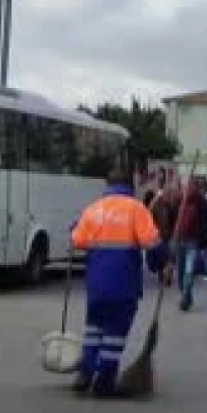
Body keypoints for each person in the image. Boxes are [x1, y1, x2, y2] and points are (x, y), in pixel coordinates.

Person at [69, 169, 162, 397]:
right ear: (129, 186)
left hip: (96, 285)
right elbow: (152, 242)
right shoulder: (136, 209)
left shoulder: (93, 209)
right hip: (123, 283)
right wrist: (162, 263)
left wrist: (75, 228)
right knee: (114, 333)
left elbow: (77, 240)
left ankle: (86, 373)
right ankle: (104, 380)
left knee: (93, 329)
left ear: (107, 185)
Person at [173, 176, 207, 312]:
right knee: (180, 272)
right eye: (184, 186)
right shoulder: (178, 200)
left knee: (189, 271)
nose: (187, 189)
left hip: (193, 241)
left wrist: (205, 242)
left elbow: (206, 222)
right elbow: (171, 218)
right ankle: (187, 296)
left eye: (189, 186)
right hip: (179, 240)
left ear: (195, 187)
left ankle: (184, 298)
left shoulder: (201, 201)